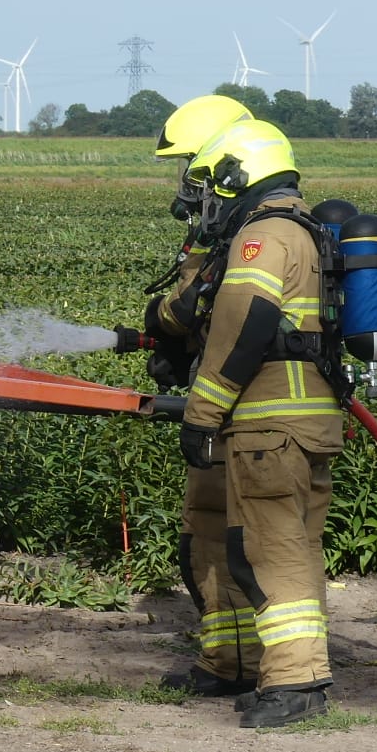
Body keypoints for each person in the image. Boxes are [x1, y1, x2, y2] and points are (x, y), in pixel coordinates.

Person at [179, 119, 345, 728]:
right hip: (287, 420)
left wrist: (203, 409)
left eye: (211, 184)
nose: (206, 198)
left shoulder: (265, 235)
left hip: (270, 423)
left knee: (273, 552)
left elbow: (246, 323)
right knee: (242, 542)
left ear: (236, 174)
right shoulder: (293, 230)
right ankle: (242, 663)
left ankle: (298, 682)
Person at [144, 95, 258, 699]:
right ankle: (230, 661)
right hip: (233, 412)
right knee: (216, 535)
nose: (186, 181)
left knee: (234, 538)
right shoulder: (243, 230)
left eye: (190, 163)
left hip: (242, 416)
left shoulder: (243, 236)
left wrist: (161, 322)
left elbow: (192, 309)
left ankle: (265, 670)